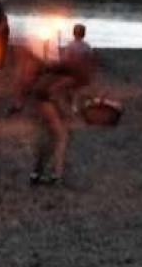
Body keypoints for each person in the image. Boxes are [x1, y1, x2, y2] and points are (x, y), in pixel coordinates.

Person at [28, 49, 94, 185]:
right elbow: (54, 93)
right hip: (43, 98)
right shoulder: (76, 74)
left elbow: (72, 94)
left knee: (50, 137)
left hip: (41, 95)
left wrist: (72, 111)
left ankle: (38, 173)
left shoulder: (76, 71)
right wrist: (66, 112)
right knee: (61, 136)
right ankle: (56, 175)